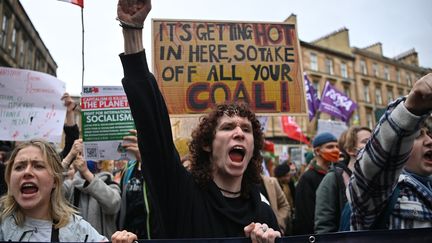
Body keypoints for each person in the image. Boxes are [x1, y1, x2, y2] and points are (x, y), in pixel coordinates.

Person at [116, 0, 281, 241]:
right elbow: (152, 125)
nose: (239, 133)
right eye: (227, 127)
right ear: (207, 144)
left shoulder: (264, 212)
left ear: (253, 146)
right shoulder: (181, 194)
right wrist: (132, 31)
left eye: (246, 129)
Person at [349, 73, 432, 230]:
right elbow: (373, 170)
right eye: (416, 136)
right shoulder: (380, 194)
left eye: (429, 134)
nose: (429, 141)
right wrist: (412, 110)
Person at [0, 139, 107, 241]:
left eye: (38, 166)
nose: (27, 172)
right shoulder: (3, 225)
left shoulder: (79, 231)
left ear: (55, 181)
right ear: (9, 179)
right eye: (19, 167)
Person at [314, 126, 371, 233]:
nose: (373, 144)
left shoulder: (380, 178)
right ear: (350, 150)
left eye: (374, 140)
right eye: (366, 141)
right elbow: (325, 226)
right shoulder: (333, 179)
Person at [63, 139, 121, 239]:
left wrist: (86, 173)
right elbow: (50, 185)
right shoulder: (72, 186)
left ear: (101, 163)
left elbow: (113, 204)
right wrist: (69, 156)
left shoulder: (109, 183)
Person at [293, 132, 339, 235]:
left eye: (337, 146)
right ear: (317, 151)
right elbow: (305, 216)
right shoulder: (307, 179)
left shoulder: (337, 174)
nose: (335, 150)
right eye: (330, 147)